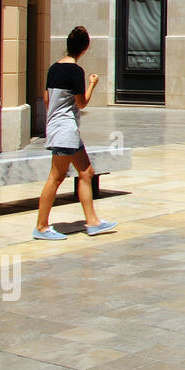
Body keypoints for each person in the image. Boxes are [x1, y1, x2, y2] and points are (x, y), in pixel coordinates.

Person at [34, 26, 117, 240]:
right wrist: (92, 84)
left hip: (59, 128)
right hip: (65, 130)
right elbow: (81, 103)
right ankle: (41, 227)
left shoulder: (53, 68)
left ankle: (92, 222)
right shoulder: (75, 72)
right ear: (85, 48)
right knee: (56, 177)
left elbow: (46, 99)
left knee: (86, 172)